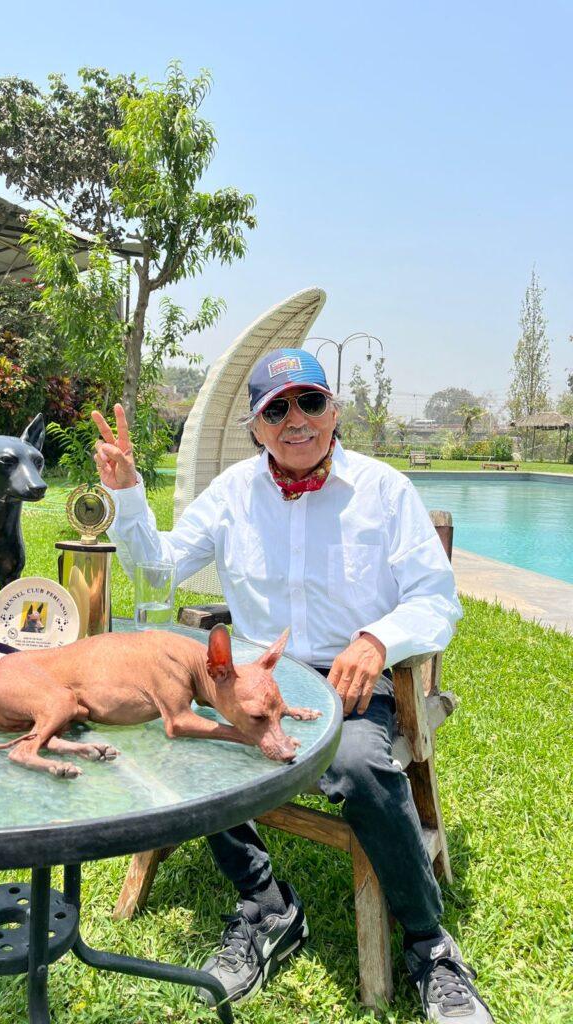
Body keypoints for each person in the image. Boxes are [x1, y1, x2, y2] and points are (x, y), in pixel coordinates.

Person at [91, 348, 493, 1024]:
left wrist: (377, 640)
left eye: (309, 402)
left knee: (362, 765)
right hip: (258, 684)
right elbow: (157, 571)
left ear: (334, 411)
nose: (295, 420)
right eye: (275, 409)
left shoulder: (385, 490)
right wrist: (128, 491)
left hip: (354, 681)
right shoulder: (231, 494)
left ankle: (430, 946)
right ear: (256, 427)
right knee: (188, 744)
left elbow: (437, 600)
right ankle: (267, 907)